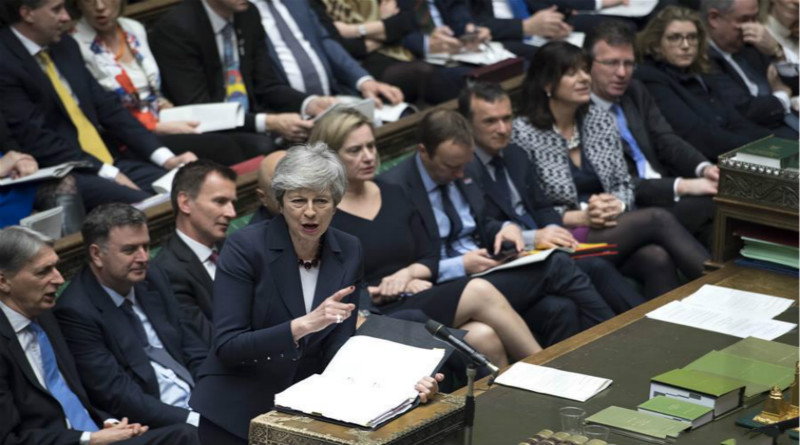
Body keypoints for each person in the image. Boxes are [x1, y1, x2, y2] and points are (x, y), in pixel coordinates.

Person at [189, 144, 443, 444]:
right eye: (298, 200)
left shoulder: (348, 249)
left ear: (335, 205)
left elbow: (339, 348)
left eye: (321, 200)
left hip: (304, 410)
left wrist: (403, 383)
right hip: (237, 410)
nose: (310, 212)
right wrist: (303, 325)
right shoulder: (245, 248)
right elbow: (229, 345)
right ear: (281, 202)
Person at [313, 108, 541, 366]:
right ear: (330, 157)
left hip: (417, 292)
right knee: (479, 290)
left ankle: (528, 384)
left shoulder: (392, 191)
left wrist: (408, 275)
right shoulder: (324, 214)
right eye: (355, 150)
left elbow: (429, 255)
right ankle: (545, 369)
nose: (368, 156)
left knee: (484, 336)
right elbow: (332, 287)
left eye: (371, 146)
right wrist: (382, 291)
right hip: (376, 311)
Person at [382, 109, 615, 346]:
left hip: (486, 266)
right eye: (451, 167)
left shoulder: (468, 166)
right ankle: (616, 338)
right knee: (558, 264)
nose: (460, 174)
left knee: (559, 308)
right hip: (446, 286)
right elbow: (401, 262)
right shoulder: (394, 188)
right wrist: (460, 265)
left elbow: (483, 223)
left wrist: (505, 228)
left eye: (464, 165)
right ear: (423, 152)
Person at [512, 41, 710, 298]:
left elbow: (623, 183)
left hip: (610, 223)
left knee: (656, 257)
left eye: (585, 70)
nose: (584, 78)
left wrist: (616, 204)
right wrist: (582, 217)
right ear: (547, 84)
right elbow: (529, 207)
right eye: (572, 73)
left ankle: (674, 323)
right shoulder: (523, 134)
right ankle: (721, 289)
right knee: (657, 219)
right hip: (561, 233)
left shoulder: (598, 119)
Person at [0, 226, 199, 445]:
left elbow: (81, 396)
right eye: (43, 272)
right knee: (187, 436)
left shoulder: (44, 316)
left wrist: (110, 424)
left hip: (97, 433)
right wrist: (89, 438)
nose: (59, 279)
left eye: (56, 267)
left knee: (187, 433)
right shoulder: (58, 314)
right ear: (3, 281)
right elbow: (8, 439)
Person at [458, 82, 645, 314]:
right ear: (467, 124)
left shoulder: (514, 153)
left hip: (545, 250)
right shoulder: (464, 168)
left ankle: (652, 323)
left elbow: (542, 206)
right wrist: (533, 238)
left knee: (647, 257)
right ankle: (641, 327)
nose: (503, 129)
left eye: (506, 118)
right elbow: (483, 229)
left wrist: (555, 231)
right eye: (490, 121)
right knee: (593, 271)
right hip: (510, 256)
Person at [0, 0, 197, 210]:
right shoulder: (5, 61)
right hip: (65, 173)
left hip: (108, 161)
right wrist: (109, 173)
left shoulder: (65, 45)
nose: (66, 17)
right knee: (149, 208)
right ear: (27, 14)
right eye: (56, 9)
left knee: (189, 190)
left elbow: (109, 108)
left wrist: (166, 159)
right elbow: (37, 139)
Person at [54, 204, 208, 432]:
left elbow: (194, 347)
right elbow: (118, 395)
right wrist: (195, 420)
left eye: (145, 246)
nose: (144, 257)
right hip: (158, 424)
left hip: (200, 401)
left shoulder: (153, 278)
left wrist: (213, 399)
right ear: (97, 254)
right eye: (130, 250)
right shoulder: (76, 311)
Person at [69, 0, 273, 165]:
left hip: (166, 118)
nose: (100, 6)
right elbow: (102, 113)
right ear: (77, 4)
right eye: (88, 1)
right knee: (224, 147)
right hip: (129, 135)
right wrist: (158, 127)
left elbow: (154, 91)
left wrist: (172, 114)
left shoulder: (133, 29)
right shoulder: (75, 45)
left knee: (256, 145)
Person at [584, 20, 717, 247]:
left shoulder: (635, 91)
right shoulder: (579, 111)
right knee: (712, 206)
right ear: (587, 65)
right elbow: (615, 183)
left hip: (665, 191)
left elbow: (666, 139)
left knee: (722, 207)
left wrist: (704, 168)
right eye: (611, 63)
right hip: (631, 206)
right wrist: (683, 186)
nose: (622, 73)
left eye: (629, 63)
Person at [149, 0, 336, 144]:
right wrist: (268, 122)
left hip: (253, 116)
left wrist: (309, 103)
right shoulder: (176, 28)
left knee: (330, 129)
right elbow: (199, 107)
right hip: (209, 130)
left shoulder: (248, 14)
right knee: (265, 146)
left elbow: (265, 85)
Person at [633, 6, 772, 161]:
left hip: (732, 153)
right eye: (675, 38)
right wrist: (762, 152)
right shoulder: (651, 78)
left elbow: (735, 121)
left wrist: (774, 145)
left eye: (692, 37)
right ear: (656, 44)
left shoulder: (701, 72)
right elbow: (698, 135)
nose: (686, 45)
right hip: (702, 164)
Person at [249, 0, 404, 106]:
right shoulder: (243, 13)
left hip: (333, 97)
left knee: (399, 112)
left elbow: (326, 43)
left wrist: (364, 81)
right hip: (287, 111)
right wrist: (307, 104)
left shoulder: (298, 3)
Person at [152, 161, 238, 348]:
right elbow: (209, 341)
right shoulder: (166, 271)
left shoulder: (236, 247)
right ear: (185, 203)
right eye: (220, 201)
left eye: (232, 203)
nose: (232, 213)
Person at [310, 0, 440, 104]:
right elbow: (346, 48)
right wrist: (385, 27)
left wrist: (352, 30)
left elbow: (405, 23)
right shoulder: (314, 3)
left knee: (436, 75)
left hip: (400, 54)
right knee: (422, 73)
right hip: (360, 68)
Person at [702, 0, 798, 137]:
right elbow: (747, 110)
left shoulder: (750, 44)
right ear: (714, 18)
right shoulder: (703, 60)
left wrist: (777, 53)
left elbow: (795, 87)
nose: (753, 27)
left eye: (755, 18)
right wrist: (782, 95)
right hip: (767, 139)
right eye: (744, 19)